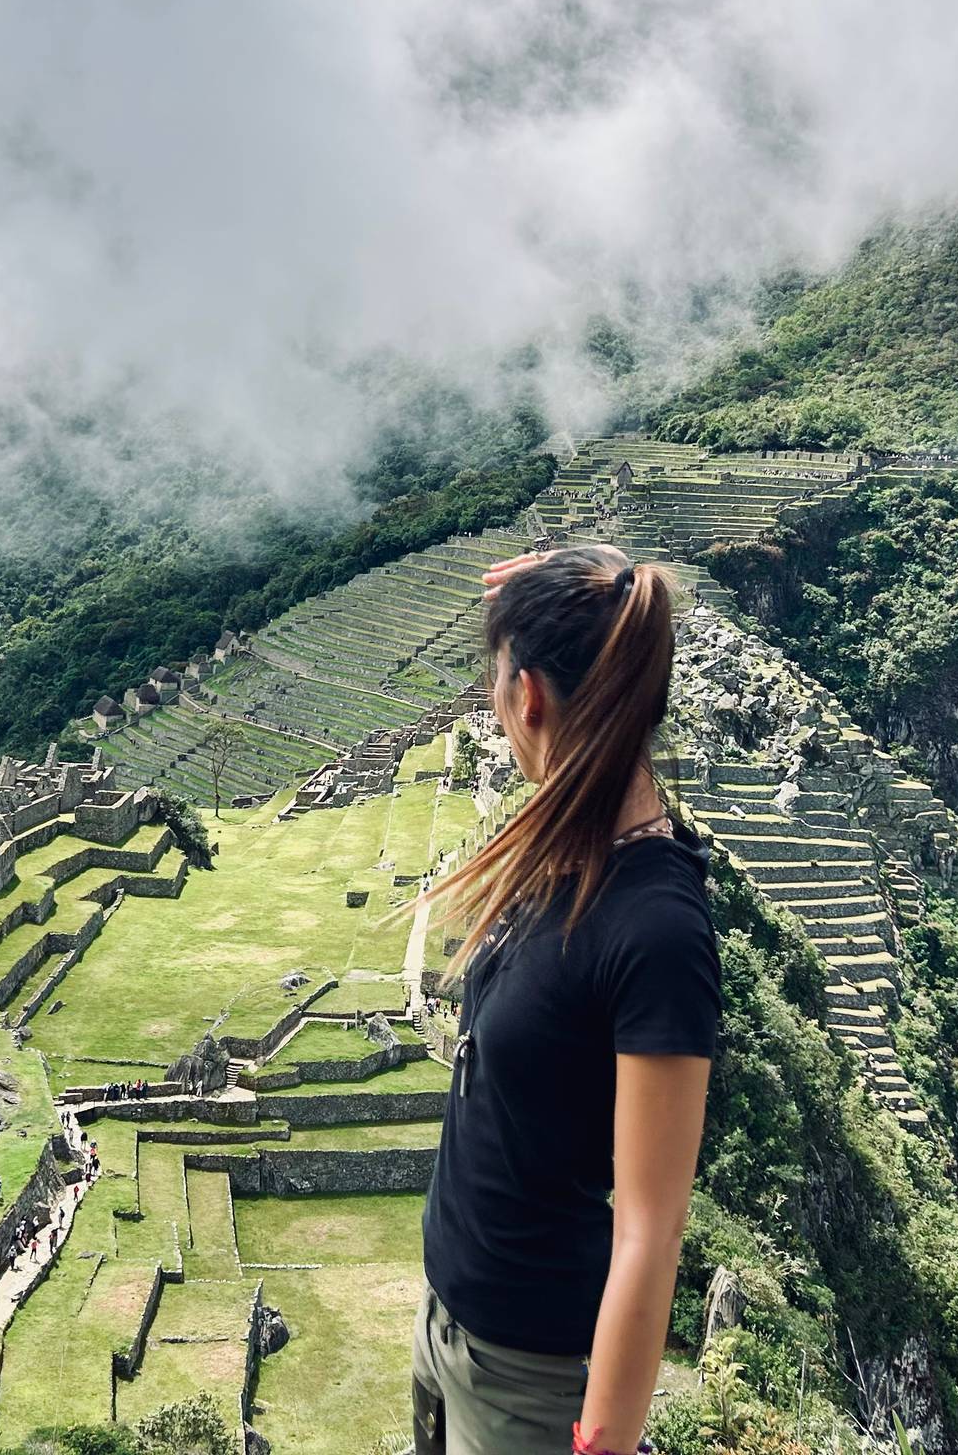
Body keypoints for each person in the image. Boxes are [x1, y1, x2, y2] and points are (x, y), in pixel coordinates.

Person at [411, 546, 718, 1455]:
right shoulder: (572, 834)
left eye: (499, 683)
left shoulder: (656, 932)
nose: (495, 706)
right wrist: (595, 589)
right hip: (449, 1327)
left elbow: (650, 1234)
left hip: (529, 1381)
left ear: (532, 698)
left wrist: (602, 1447)